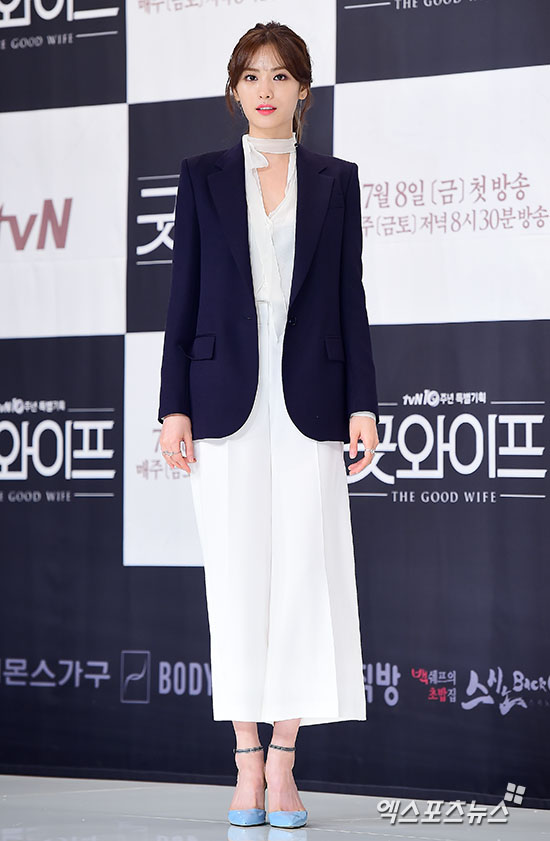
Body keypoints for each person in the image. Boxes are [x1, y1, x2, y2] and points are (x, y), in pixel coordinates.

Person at [157, 20, 379, 829]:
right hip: (223, 401)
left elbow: (350, 299)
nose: (264, 89)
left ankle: (284, 761)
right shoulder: (202, 176)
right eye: (251, 76)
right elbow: (181, 297)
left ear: (302, 91)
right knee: (237, 580)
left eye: (279, 75)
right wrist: (172, 404)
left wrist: (363, 402)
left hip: (311, 398)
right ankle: (245, 761)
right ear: (234, 90)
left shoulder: (336, 180)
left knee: (303, 579)